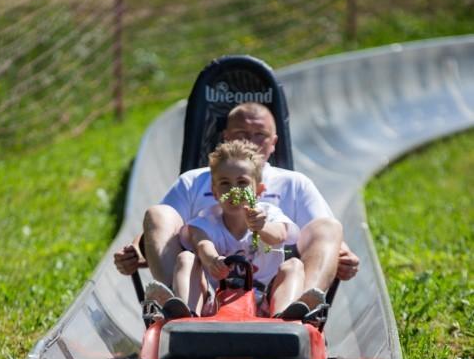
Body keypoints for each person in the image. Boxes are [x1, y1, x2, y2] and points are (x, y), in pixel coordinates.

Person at [114, 103, 358, 309]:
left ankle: (300, 309)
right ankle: (180, 307)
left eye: (259, 134)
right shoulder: (195, 181)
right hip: (207, 284)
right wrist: (136, 250)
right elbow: (160, 226)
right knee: (158, 213)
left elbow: (324, 231)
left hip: (272, 283)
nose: (250, 141)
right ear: (227, 138)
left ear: (273, 142)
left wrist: (342, 256)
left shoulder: (294, 183)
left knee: (329, 227)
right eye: (241, 133)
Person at [166, 139, 305, 319]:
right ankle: (187, 313)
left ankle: (285, 316)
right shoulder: (205, 221)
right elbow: (202, 245)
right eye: (225, 183)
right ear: (215, 192)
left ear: (258, 191)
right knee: (186, 258)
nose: (234, 189)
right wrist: (213, 260)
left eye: (242, 182)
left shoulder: (269, 215)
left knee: (294, 265)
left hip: (264, 299)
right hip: (214, 300)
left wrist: (262, 227)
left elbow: (279, 236)